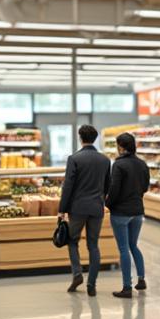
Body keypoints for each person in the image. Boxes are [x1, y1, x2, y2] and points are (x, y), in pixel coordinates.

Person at [58, 124, 110, 296]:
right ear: (95, 138)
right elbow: (107, 186)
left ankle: (77, 273)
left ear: (80, 137)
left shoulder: (74, 159)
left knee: (73, 241)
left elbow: (68, 187)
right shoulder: (104, 160)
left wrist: (62, 209)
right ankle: (92, 285)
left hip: (77, 208)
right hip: (96, 208)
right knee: (93, 245)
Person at [106, 132, 150, 298]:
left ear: (120, 146)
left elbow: (114, 189)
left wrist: (108, 204)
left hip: (121, 212)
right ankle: (141, 279)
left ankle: (126, 287)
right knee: (133, 245)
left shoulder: (119, 165)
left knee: (123, 249)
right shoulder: (142, 164)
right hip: (138, 211)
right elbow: (145, 187)